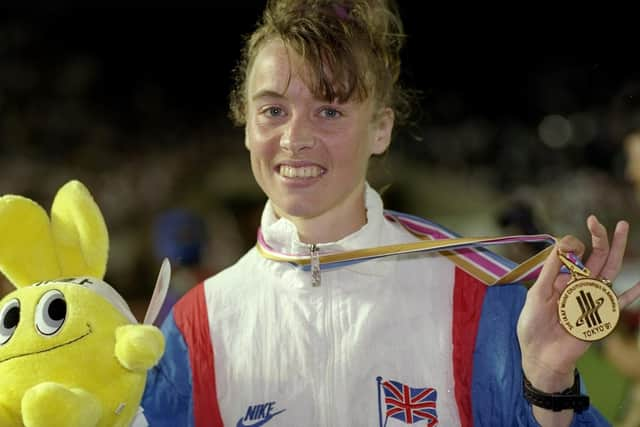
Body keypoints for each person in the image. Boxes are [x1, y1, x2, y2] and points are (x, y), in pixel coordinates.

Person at [141, 0, 640, 425]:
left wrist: (548, 384)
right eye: (273, 110)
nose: (295, 138)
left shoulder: (481, 300)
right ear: (246, 124)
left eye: (330, 110)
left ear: (381, 129)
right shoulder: (194, 328)